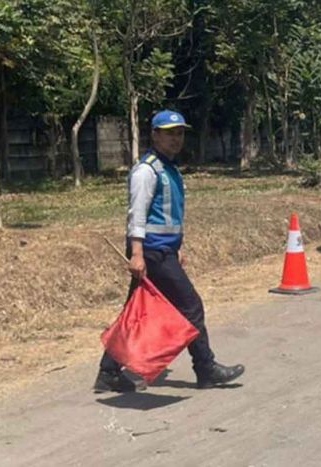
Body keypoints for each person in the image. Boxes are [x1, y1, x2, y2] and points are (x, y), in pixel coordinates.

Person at [94, 110, 245, 392]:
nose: (176, 138)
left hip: (164, 250)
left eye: (179, 132)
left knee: (134, 313)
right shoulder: (146, 171)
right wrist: (137, 254)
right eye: (169, 132)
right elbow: (136, 216)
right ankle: (205, 368)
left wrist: (178, 247)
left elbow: (169, 214)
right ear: (155, 134)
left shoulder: (169, 169)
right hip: (152, 253)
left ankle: (108, 371)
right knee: (191, 306)